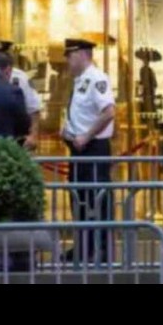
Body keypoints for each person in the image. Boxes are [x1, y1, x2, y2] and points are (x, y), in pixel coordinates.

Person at [62, 38, 116, 265]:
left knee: (99, 200)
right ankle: (83, 247)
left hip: (94, 149)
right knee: (80, 199)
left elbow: (109, 112)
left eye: (69, 55)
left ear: (82, 54)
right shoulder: (80, 80)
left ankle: (102, 250)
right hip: (79, 149)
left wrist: (86, 136)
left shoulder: (96, 78)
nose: (67, 60)